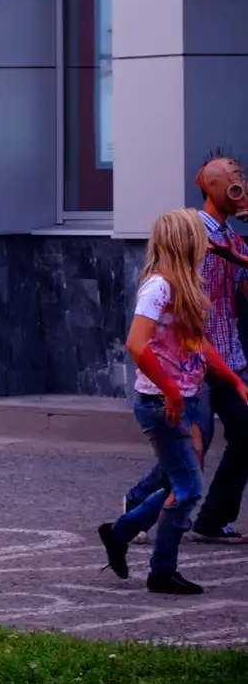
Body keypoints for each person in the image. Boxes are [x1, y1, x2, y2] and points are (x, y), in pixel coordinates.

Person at [99, 209, 248, 595]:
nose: (207, 244)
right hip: (159, 403)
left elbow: (197, 343)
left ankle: (121, 533)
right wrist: (169, 389)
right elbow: (136, 344)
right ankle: (159, 570)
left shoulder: (185, 286)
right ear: (187, 241)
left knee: (179, 484)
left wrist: (232, 379)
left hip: (183, 398)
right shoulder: (158, 288)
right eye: (201, 237)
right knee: (188, 489)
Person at [183, 154, 248, 543]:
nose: (240, 186)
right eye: (233, 179)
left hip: (229, 356)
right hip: (195, 357)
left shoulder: (233, 239)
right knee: (194, 442)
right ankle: (139, 506)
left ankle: (212, 520)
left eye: (242, 178)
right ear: (210, 185)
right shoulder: (192, 235)